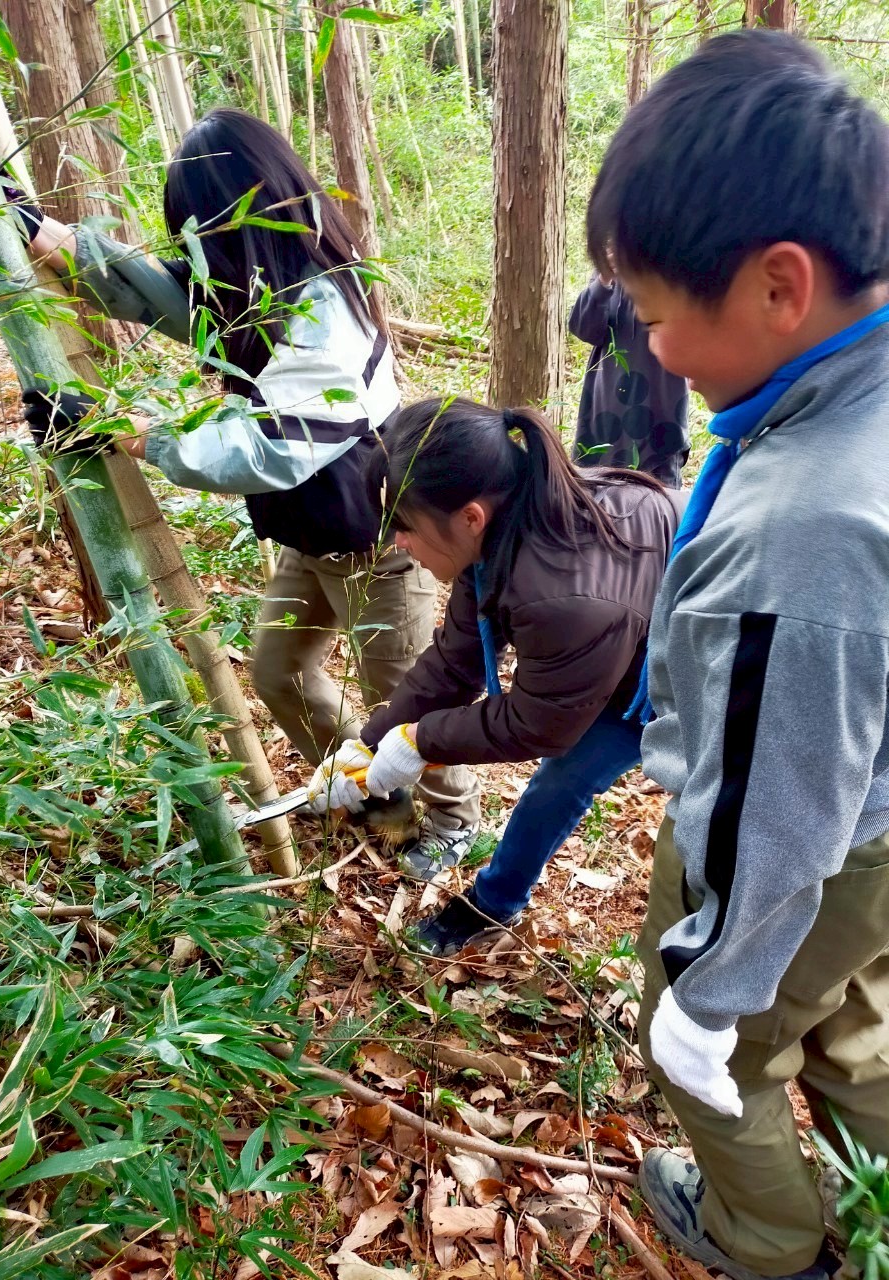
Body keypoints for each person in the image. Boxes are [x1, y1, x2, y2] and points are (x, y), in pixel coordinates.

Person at [585, 28, 889, 1280]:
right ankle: (873, 1197)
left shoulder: (802, 537)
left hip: (816, 834)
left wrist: (705, 997)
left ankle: (768, 1236)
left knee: (721, 1049)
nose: (650, 348)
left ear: (778, 285)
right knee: (855, 1024)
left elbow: (772, 822)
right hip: (879, 820)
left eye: (658, 316)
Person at [18, 108, 480, 866]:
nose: (195, 253)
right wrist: (52, 240)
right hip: (312, 538)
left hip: (380, 548)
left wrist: (131, 429)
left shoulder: (326, 311)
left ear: (244, 220)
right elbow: (166, 296)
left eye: (203, 233)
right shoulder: (255, 286)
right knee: (279, 672)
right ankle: (376, 791)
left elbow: (262, 450)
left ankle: (453, 821)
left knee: (409, 705)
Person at [307, 397, 680, 907]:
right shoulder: (501, 530)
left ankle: (492, 904)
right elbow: (453, 662)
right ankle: (497, 901)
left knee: (573, 784)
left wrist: (419, 742)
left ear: (470, 516)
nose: (396, 543)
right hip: (615, 654)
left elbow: (539, 725)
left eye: (405, 525)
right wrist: (369, 744)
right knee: (555, 788)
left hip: (685, 679)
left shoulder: (568, 600)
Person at [569, 272, 690, 487]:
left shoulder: (677, 262)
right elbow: (584, 329)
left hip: (661, 411)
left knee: (658, 497)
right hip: (606, 412)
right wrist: (604, 280)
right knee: (597, 495)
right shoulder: (608, 273)